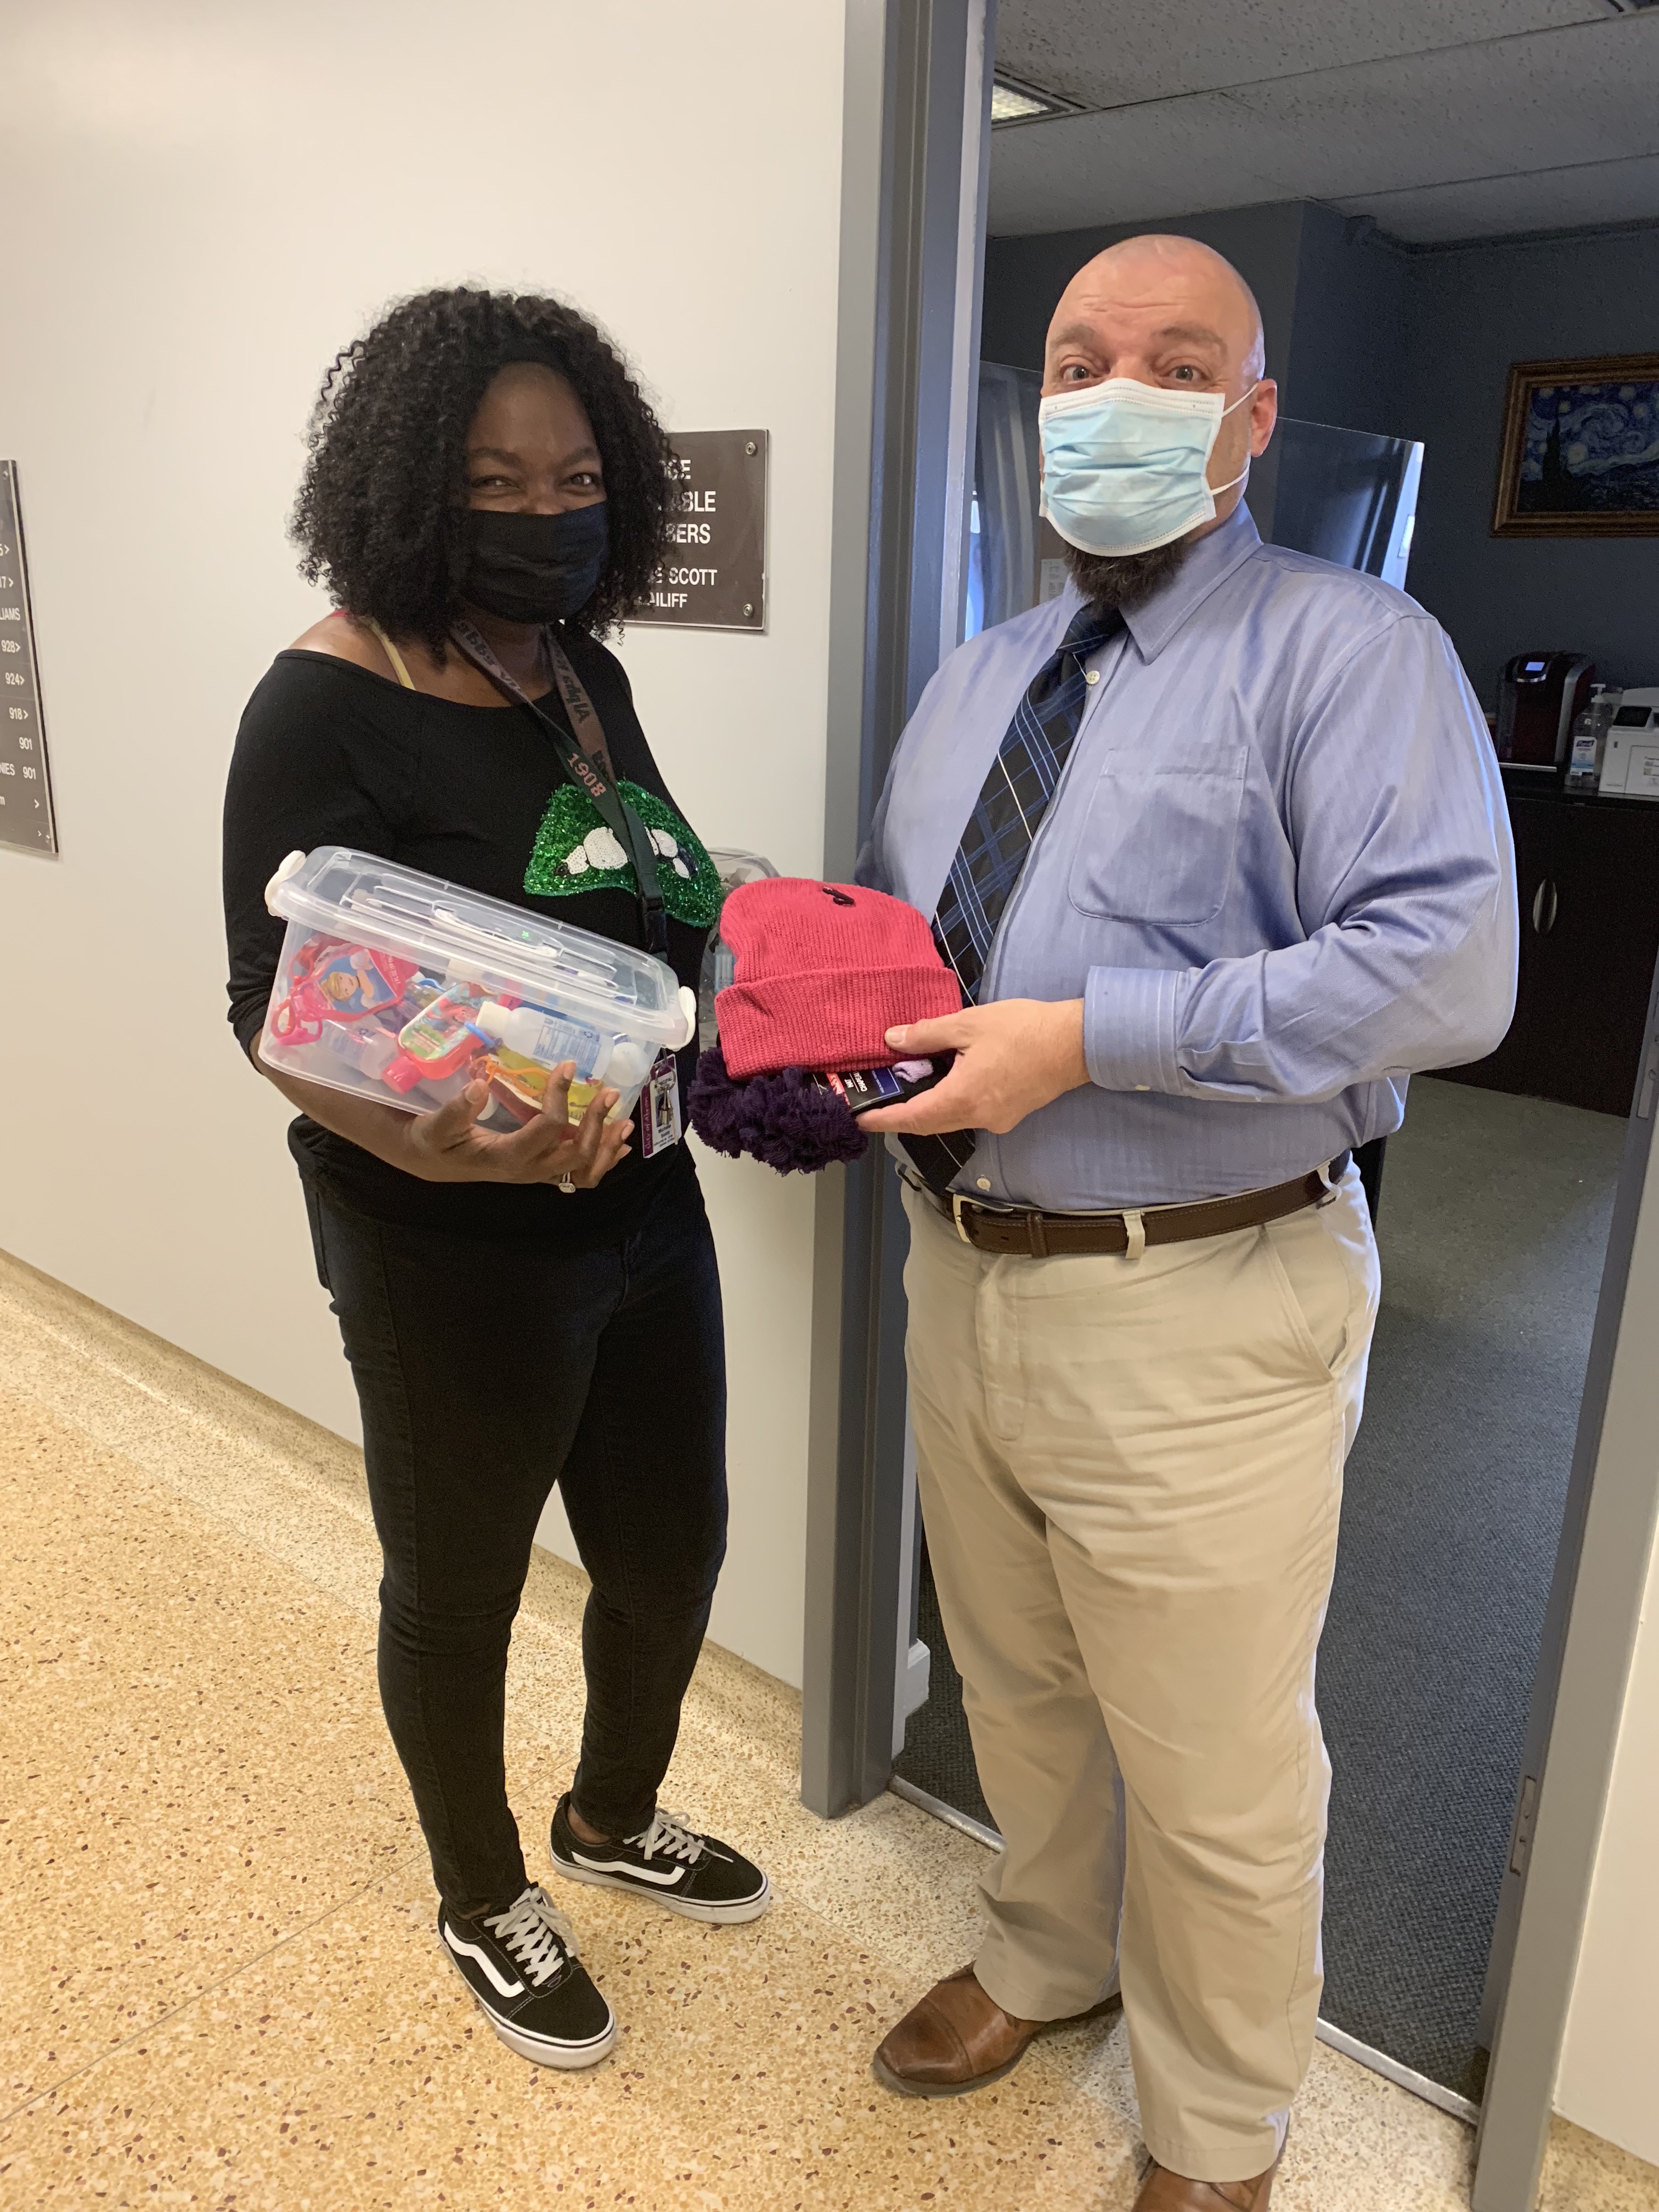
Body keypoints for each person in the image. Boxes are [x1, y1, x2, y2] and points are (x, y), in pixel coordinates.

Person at [855, 235, 1516, 2209]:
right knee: (1018, 1687)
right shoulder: (977, 674)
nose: (1113, 390)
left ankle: (1222, 2126)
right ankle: (1049, 1960)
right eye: (1077, 360)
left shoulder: (1350, 651)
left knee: (1220, 1766)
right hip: (967, 1282)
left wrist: (1094, 1041)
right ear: (1040, 402)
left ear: (1251, 419)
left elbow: (1445, 971)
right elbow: (935, 945)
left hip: (1205, 1295)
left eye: (1173, 360)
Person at [222, 287, 768, 2075]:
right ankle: (480, 1891)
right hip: (442, 1239)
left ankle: (613, 1814)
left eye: (577, 475)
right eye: (495, 480)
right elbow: (273, 1014)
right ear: (404, 487)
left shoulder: (579, 675)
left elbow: (634, 895)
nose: (547, 512)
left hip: (642, 1203)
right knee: (457, 1582)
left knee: (673, 1547)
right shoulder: (322, 703)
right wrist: (433, 1133)